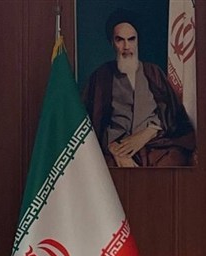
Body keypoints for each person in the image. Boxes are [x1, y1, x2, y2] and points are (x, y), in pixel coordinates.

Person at [83, 9, 196, 167]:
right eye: (120, 40)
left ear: (137, 41)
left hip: (155, 145)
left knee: (174, 160)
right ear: (112, 43)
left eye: (131, 39)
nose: (126, 46)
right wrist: (113, 147)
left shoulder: (153, 72)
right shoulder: (101, 76)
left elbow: (172, 116)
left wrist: (149, 132)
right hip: (117, 148)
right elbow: (93, 122)